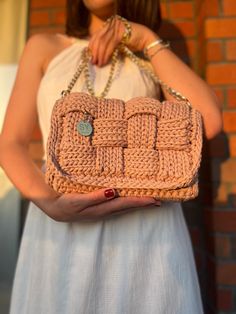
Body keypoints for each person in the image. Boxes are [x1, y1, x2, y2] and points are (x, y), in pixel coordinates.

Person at [0, 0, 222, 313]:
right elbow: (10, 142)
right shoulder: (44, 46)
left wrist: (146, 40)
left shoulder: (149, 54)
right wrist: (50, 202)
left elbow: (207, 121)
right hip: (59, 219)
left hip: (145, 230)